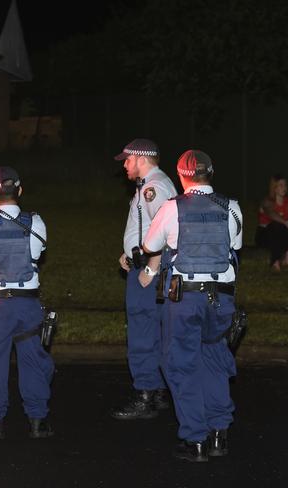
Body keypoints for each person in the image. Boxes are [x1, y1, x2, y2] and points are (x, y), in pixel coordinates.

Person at [140, 149, 243, 462]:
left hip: (185, 297)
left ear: (182, 175)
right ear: (211, 172)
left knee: (181, 364)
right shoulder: (233, 208)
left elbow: (150, 246)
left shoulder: (173, 208)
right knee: (214, 357)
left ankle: (195, 438)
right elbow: (235, 247)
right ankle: (219, 434)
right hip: (221, 297)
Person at [0, 166, 54, 440]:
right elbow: (38, 253)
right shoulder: (36, 223)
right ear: (20, 190)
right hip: (28, 305)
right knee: (33, 360)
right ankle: (38, 421)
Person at [110, 138, 177, 420]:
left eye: (127, 159)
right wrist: (132, 253)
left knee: (141, 330)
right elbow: (150, 230)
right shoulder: (153, 185)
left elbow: (166, 234)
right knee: (156, 329)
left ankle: (145, 394)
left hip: (150, 273)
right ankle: (158, 391)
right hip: (145, 265)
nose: (125, 164)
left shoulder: (152, 188)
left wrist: (149, 269)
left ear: (140, 158)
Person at [256, 174, 288, 272]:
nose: (284, 188)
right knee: (276, 225)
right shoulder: (267, 201)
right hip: (265, 234)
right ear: (274, 188)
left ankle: (287, 259)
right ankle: (275, 261)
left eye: (285, 185)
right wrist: (285, 222)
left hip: (281, 233)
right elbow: (271, 213)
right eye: (281, 185)